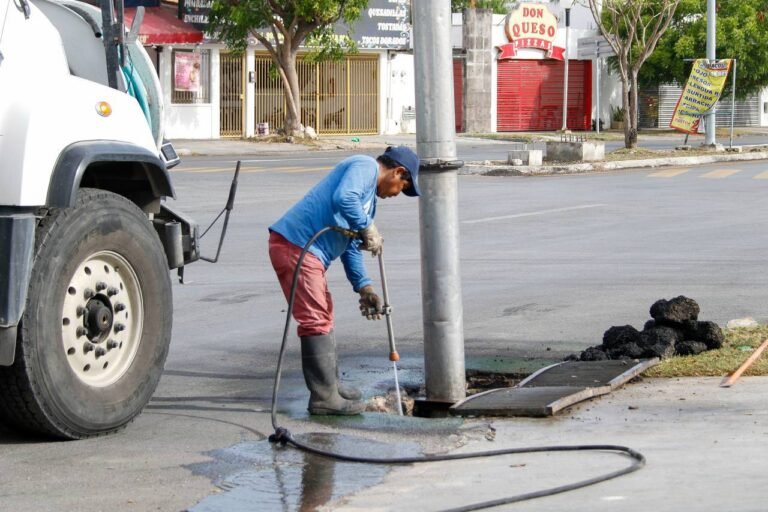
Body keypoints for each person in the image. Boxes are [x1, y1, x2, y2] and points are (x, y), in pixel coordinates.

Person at [268, 146, 420, 415]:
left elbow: (350, 246)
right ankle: (323, 398)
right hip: (297, 245)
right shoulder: (364, 167)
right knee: (315, 318)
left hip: (307, 251)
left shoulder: (368, 201)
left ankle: (331, 386)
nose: (397, 194)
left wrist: (365, 287)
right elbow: (343, 197)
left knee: (324, 314)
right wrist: (367, 227)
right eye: (402, 187)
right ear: (398, 171)